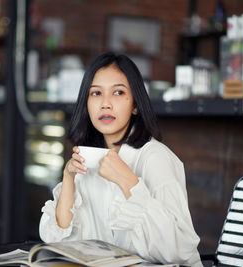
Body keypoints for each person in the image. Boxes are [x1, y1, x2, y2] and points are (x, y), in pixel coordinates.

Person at [39, 52, 203, 267]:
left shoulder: (155, 157)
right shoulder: (90, 158)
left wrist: (128, 182)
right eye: (96, 93)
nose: (105, 104)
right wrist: (68, 179)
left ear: (135, 104)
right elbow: (59, 240)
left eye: (118, 92)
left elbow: (177, 250)